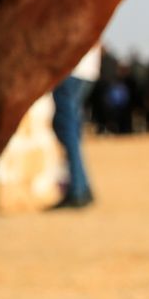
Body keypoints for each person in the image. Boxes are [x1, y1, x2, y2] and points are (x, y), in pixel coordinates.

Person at [50, 44, 101, 209]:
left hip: (71, 70)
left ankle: (77, 189)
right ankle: (81, 187)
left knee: (67, 130)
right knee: (72, 130)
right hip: (88, 71)